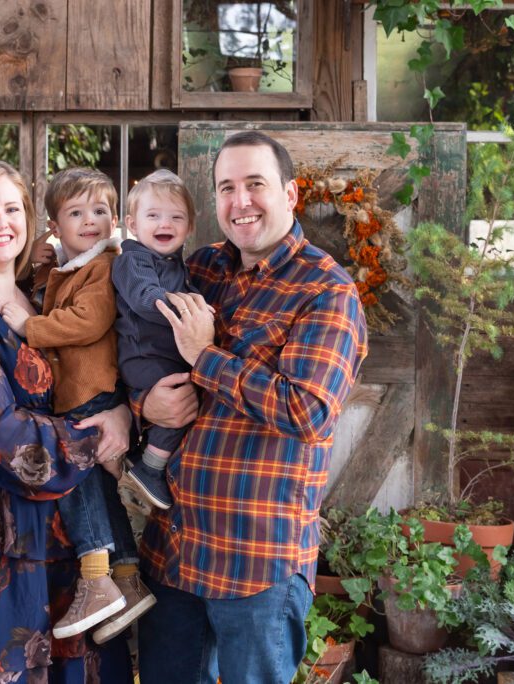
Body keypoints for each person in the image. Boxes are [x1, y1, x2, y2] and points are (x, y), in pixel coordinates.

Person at [135, 131, 370, 683]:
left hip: (257, 558)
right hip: (177, 547)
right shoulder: (201, 269)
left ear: (290, 193)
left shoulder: (326, 291)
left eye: (255, 184)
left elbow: (309, 410)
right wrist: (144, 401)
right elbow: (141, 341)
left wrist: (206, 356)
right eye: (226, 188)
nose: (240, 201)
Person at [0, 159, 133, 684]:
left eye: (12, 209)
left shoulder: (40, 300)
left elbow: (91, 375)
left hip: (68, 529)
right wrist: (103, 432)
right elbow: (0, 436)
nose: (1, 222)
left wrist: (125, 410)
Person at [1, 167, 156, 644]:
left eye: (100, 210)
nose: (90, 220)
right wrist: (41, 268)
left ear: (115, 219)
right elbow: (57, 293)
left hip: (90, 392)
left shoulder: (107, 265)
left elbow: (87, 321)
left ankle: (95, 577)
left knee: (77, 484)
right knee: (101, 489)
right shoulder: (73, 265)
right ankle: (127, 578)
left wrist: (31, 328)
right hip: (80, 391)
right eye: (76, 212)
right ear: (54, 226)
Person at [112, 169, 200, 510]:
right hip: (142, 356)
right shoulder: (133, 259)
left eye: (176, 217)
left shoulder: (178, 264)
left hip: (163, 356)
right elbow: (143, 296)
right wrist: (189, 313)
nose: (165, 223)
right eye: (153, 216)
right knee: (181, 400)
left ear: (189, 226)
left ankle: (144, 457)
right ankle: (151, 467)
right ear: (133, 224)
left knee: (190, 396)